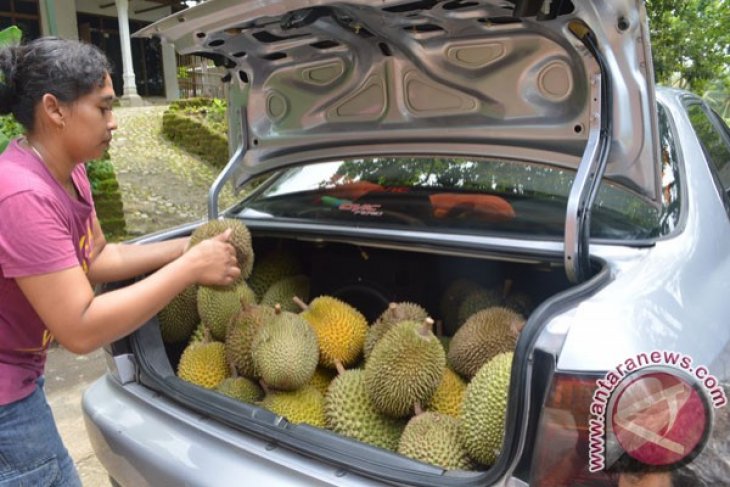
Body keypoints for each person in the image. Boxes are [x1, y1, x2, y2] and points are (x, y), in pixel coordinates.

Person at [0, 37, 241, 485]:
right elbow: (81, 327)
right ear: (54, 109)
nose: (114, 123)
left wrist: (188, 247)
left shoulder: (69, 171)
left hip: (21, 374)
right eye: (103, 108)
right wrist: (189, 269)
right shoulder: (21, 195)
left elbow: (98, 256)